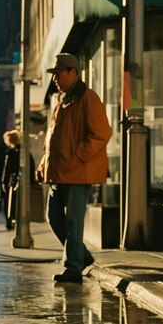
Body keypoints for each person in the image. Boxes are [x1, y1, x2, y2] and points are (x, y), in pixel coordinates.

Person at [36, 53, 112, 283]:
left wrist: (77, 158)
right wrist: (44, 166)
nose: (55, 79)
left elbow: (101, 134)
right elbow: (53, 141)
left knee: (72, 221)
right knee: (54, 218)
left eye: (59, 73)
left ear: (73, 72)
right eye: (55, 74)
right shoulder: (63, 102)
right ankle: (81, 257)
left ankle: (73, 267)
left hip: (77, 173)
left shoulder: (87, 98)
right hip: (60, 173)